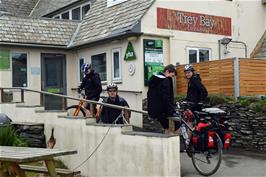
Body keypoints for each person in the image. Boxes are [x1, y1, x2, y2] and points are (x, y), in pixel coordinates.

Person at [147, 64, 178, 134]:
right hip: (163, 111)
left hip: (154, 111)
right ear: (167, 71)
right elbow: (166, 98)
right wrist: (171, 111)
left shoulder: (154, 79)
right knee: (176, 126)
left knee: (166, 128)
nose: (172, 78)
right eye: (172, 75)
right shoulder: (165, 81)